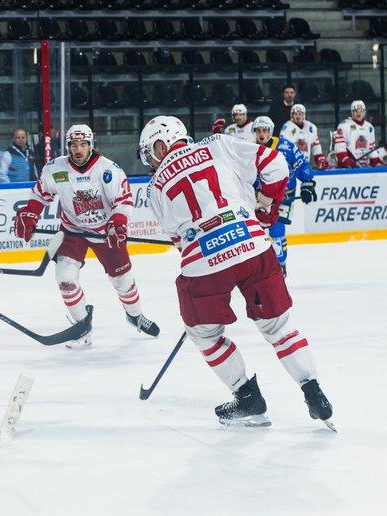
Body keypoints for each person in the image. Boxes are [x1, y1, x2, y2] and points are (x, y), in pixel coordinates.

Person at [138, 115, 333, 429]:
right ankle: (314, 393)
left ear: (162, 144)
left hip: (203, 262)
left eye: (151, 152)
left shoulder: (154, 188)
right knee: (278, 327)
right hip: (252, 245)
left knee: (205, 334)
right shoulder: (218, 144)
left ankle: (246, 396)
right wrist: (265, 201)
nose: (152, 161)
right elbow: (277, 166)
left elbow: (178, 240)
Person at [13, 124, 159, 348]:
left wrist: (117, 224)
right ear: (68, 146)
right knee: (65, 278)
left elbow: (123, 200)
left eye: (83, 144)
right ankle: (82, 328)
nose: (78, 149)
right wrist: (30, 213)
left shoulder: (107, 170)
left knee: (123, 281)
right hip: (73, 231)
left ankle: (135, 315)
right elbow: (40, 194)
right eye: (73, 145)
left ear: (91, 145)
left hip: (105, 231)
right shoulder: (56, 169)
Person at [252, 116, 315, 276]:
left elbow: (302, 163)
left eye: (265, 130)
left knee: (277, 230)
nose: (261, 134)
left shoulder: (286, 146)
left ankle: (280, 265)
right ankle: (259, 267)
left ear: (271, 131)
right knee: (256, 232)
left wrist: (307, 184)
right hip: (260, 198)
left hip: (284, 196)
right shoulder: (249, 149)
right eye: (258, 131)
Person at [332, 100, 380, 167]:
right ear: (352, 112)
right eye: (355, 110)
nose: (358, 113)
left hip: (365, 166)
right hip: (349, 167)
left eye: (361, 110)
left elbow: (372, 148)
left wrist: (376, 162)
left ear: (365, 111)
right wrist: (346, 160)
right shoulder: (344, 126)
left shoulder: (370, 127)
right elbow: (339, 147)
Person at [279, 104, 329, 169]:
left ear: (304, 115)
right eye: (295, 114)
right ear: (291, 115)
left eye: (300, 114)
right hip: (291, 167)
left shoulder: (311, 128)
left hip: (305, 166)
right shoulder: (286, 128)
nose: (298, 116)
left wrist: (321, 160)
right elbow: (283, 151)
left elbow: (316, 148)